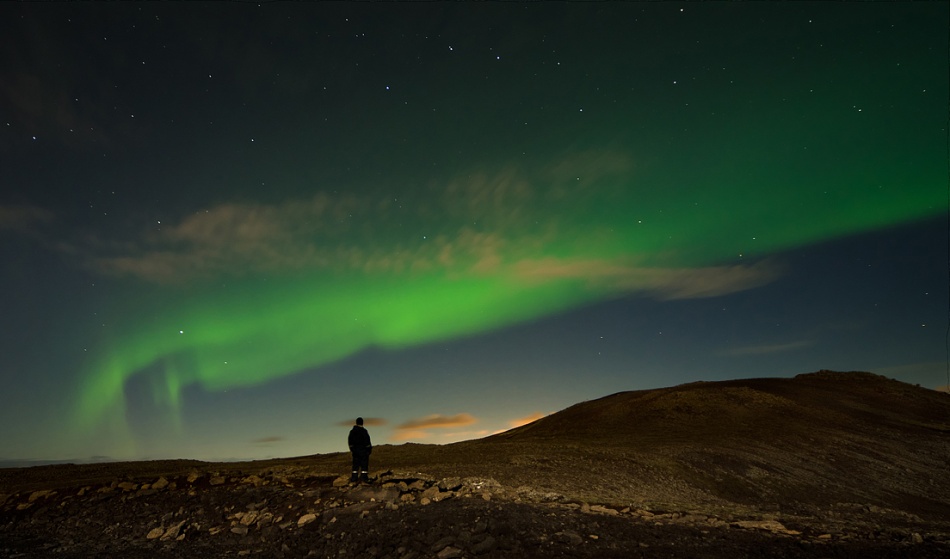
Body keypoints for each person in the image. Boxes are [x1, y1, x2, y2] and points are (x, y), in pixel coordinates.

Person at [348, 417, 372, 483]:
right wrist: (369, 450)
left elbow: (350, 442)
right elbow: (367, 441)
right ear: (362, 423)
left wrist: (352, 449)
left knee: (355, 465)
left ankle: (354, 478)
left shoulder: (352, 432)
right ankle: (364, 478)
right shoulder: (364, 431)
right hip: (363, 452)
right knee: (364, 465)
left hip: (355, 452)